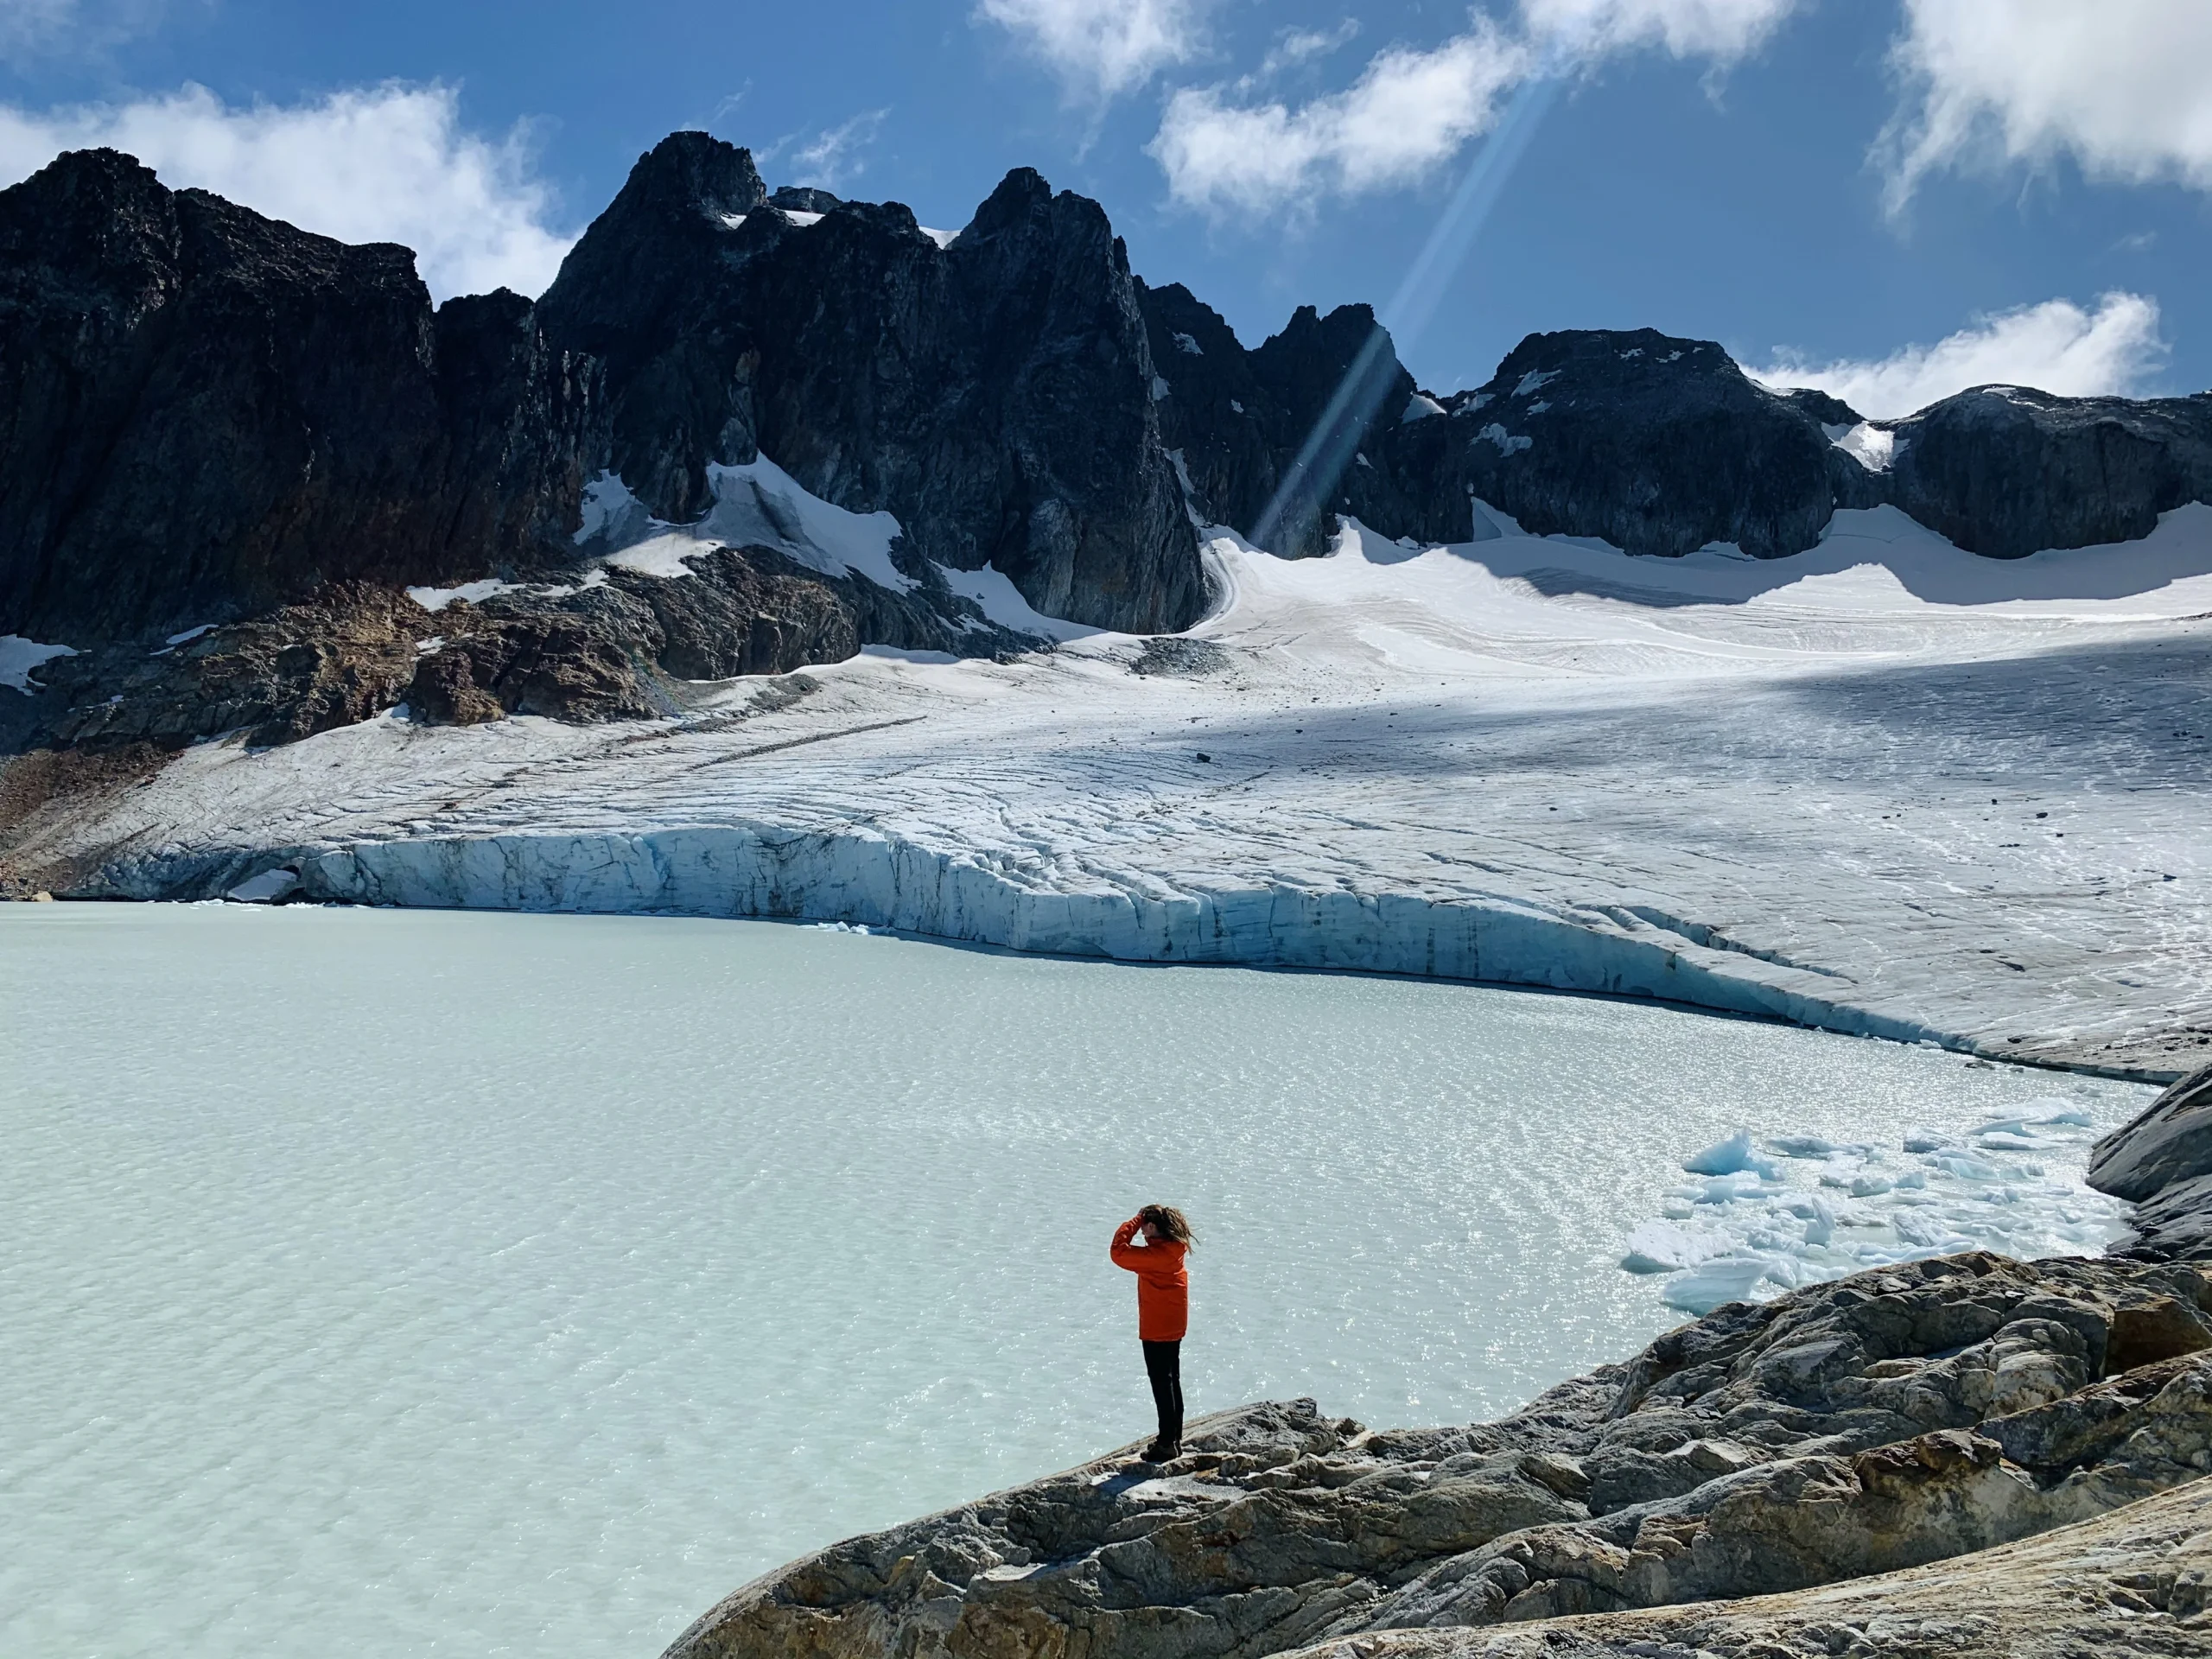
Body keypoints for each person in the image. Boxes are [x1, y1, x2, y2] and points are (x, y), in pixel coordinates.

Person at [1109, 1204, 1195, 1461]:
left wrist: (1135, 1220)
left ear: (1152, 1226)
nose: (1142, 1231)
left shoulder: (1154, 1257)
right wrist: (1142, 1221)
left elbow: (1118, 1251)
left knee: (1161, 1383)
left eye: (1145, 1225)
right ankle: (1174, 1438)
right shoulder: (1173, 1250)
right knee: (1172, 1380)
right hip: (1174, 1324)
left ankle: (1166, 1443)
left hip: (1157, 1327)